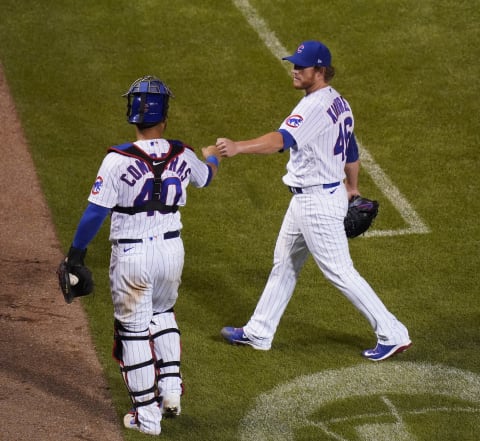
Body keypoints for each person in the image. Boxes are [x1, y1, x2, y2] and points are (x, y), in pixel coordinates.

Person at [217, 40, 411, 362]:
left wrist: (238, 147)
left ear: (319, 71)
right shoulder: (339, 102)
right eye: (294, 64)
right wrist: (353, 186)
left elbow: (282, 140)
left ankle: (392, 333)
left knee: (340, 271)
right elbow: (350, 149)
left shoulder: (313, 107)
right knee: (285, 263)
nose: (294, 70)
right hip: (318, 195)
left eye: (301, 66)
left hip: (317, 202)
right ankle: (258, 332)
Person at [62, 75, 221, 435]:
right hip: (171, 252)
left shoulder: (117, 160)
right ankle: (170, 392)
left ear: (131, 115)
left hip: (133, 255)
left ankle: (146, 417)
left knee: (132, 332)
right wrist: (212, 158)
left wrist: (75, 256)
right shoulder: (183, 152)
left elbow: (94, 214)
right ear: (164, 116)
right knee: (163, 313)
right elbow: (207, 177)